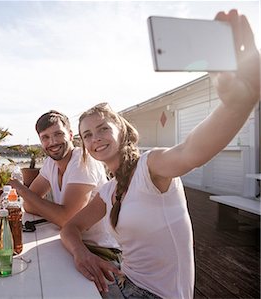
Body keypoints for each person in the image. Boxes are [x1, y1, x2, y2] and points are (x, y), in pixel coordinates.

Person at [60, 10, 260, 299]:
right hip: (125, 283)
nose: (95, 139)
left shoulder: (150, 167)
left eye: (102, 128)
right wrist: (82, 254)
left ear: (121, 130)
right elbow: (71, 228)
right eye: (87, 135)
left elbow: (191, 151)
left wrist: (237, 105)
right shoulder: (109, 190)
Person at [10, 110, 121, 263]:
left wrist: (21, 189)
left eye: (58, 134)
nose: (53, 142)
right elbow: (28, 205)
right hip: (70, 243)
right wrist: (56, 213)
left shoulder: (82, 161)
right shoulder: (51, 163)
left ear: (70, 135)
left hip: (100, 250)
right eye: (46, 137)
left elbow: (67, 219)